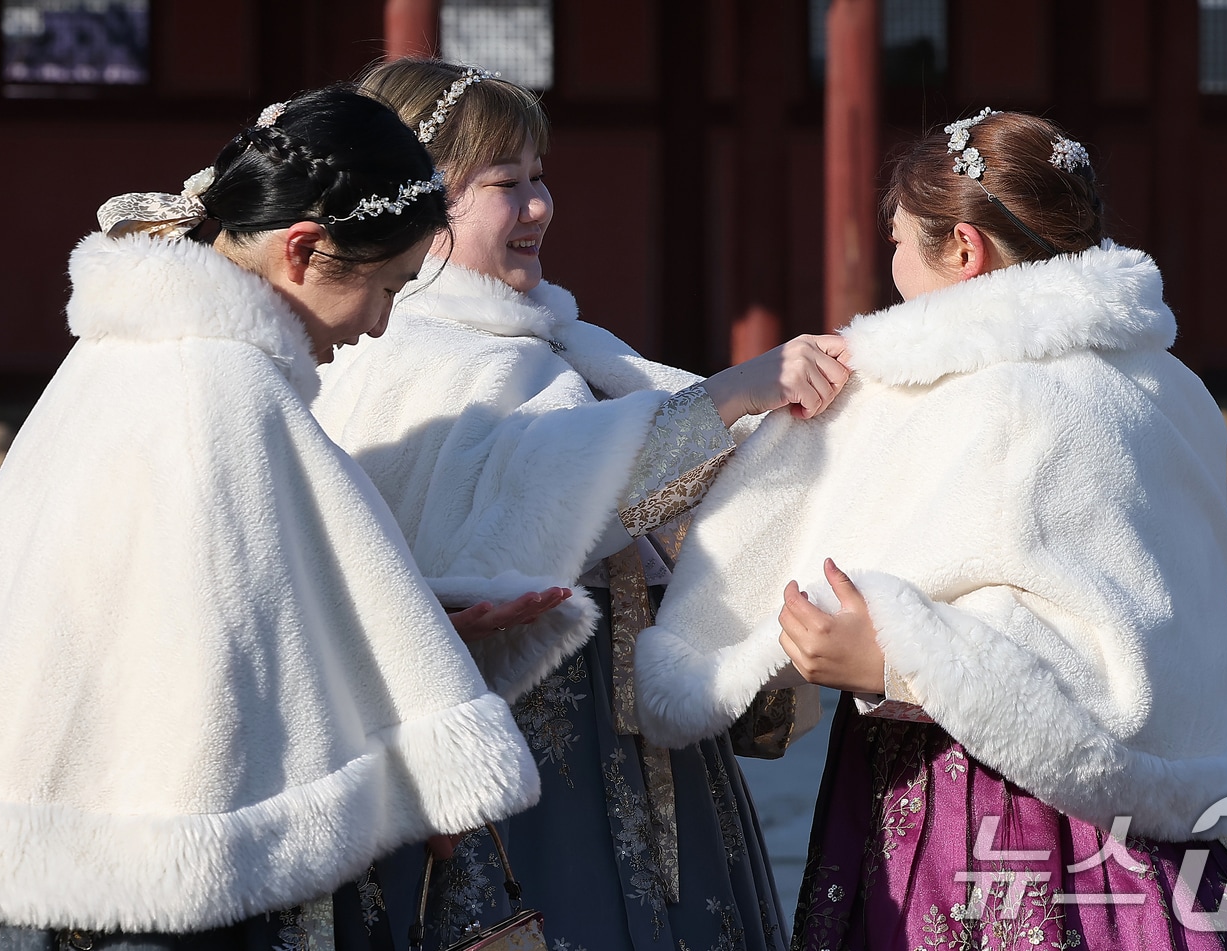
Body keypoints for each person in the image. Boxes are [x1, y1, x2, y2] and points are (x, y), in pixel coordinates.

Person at [631, 109, 1227, 949]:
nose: (891, 268)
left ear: (965, 249)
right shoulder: (1173, 386)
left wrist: (896, 660)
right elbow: (1151, 616)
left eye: (900, 242)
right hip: (1185, 790)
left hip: (986, 792)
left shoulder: (943, 394)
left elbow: (739, 520)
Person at [0, 85, 549, 950]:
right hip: (160, 881)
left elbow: (199, 619)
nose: (380, 324)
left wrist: (419, 616)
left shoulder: (124, 353)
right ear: (302, 249)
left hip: (35, 842)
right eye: (385, 287)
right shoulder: (224, 387)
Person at [311, 58, 850, 951]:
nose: (538, 207)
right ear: (424, 198)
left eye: (539, 176)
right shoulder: (402, 354)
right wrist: (729, 396)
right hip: (518, 748)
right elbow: (547, 502)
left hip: (634, 738)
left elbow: (609, 484)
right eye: (506, 183)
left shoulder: (569, 346)